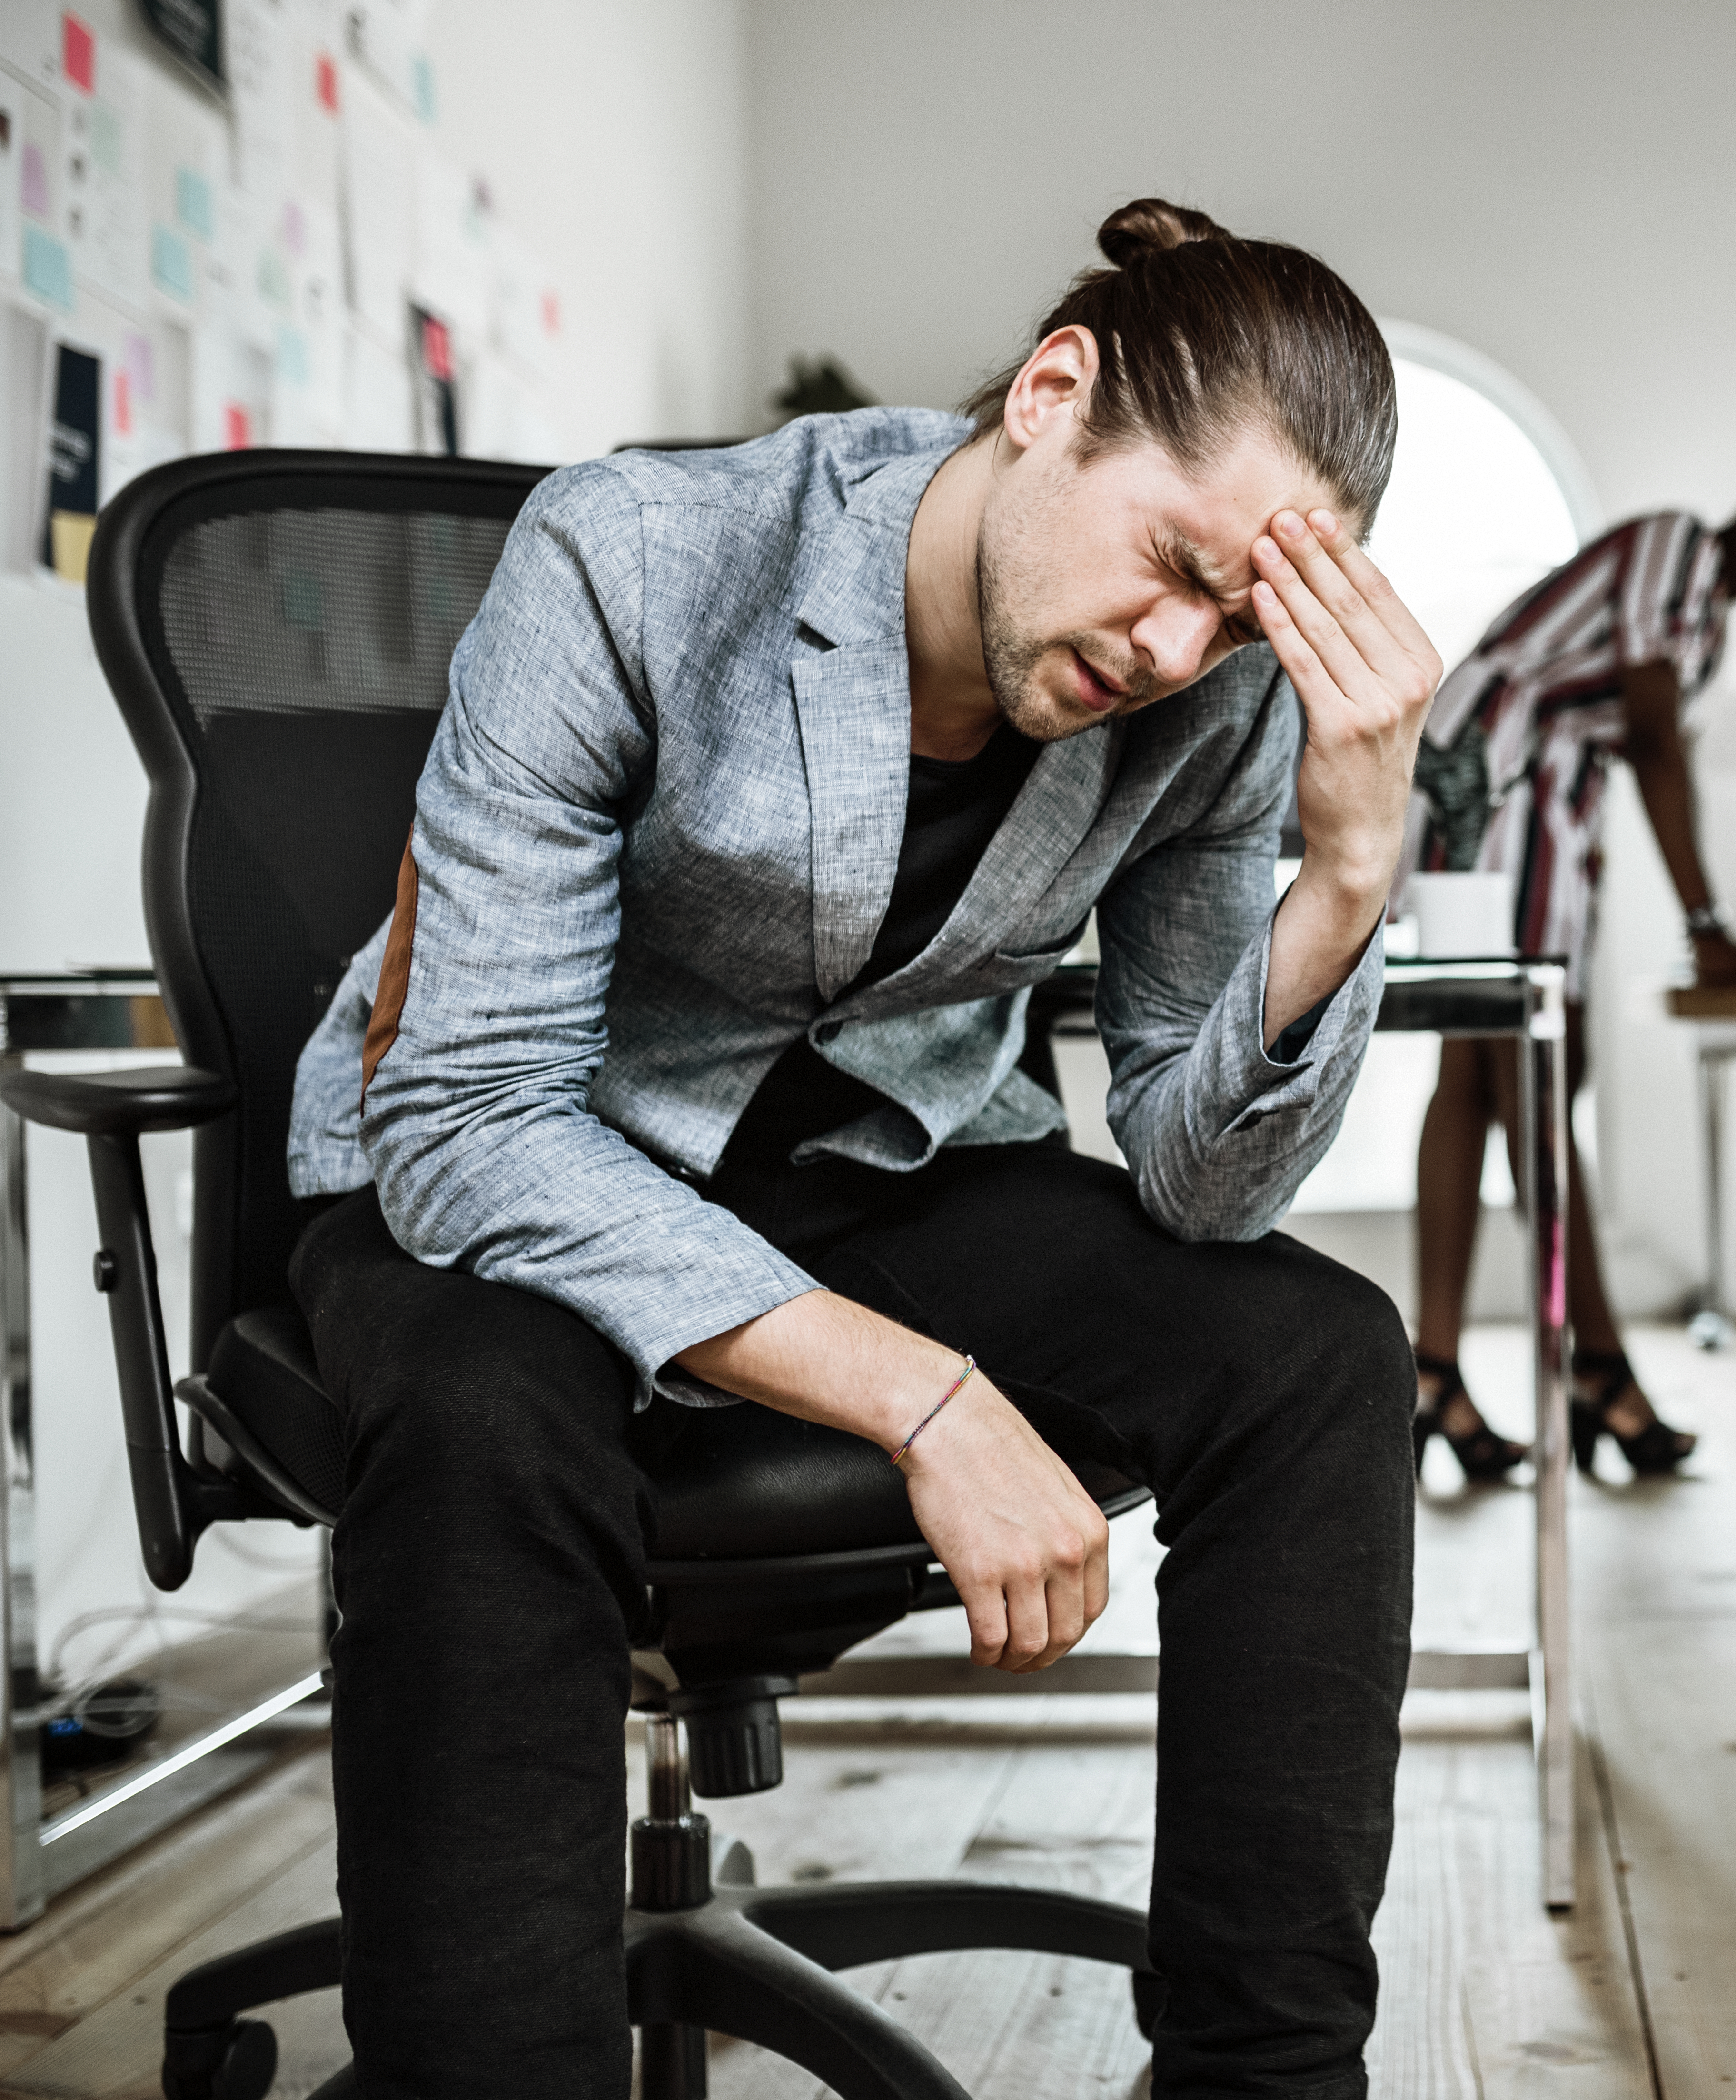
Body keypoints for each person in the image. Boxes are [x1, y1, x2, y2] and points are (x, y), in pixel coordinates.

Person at [282, 200, 1439, 2097]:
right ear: (1054, 393)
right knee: (487, 1404)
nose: (1173, 646)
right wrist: (927, 1401)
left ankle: (1264, 2078)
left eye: (1242, 609)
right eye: (1168, 562)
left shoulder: (1210, 691)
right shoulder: (642, 553)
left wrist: (1348, 870)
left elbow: (1196, 1178)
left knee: (1313, 1356)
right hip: (504, 1143)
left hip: (872, 1158)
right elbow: (469, 1109)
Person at [1403, 454, 1736, 1483]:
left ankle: (1447, 1369)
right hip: (1501, 775)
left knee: (1492, 1079)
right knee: (1516, 1077)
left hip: (1550, 799)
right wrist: (1705, 919)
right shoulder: (1674, 546)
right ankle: (1588, 1363)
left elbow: (1629, 739)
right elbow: (1651, 734)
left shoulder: (1710, 623)